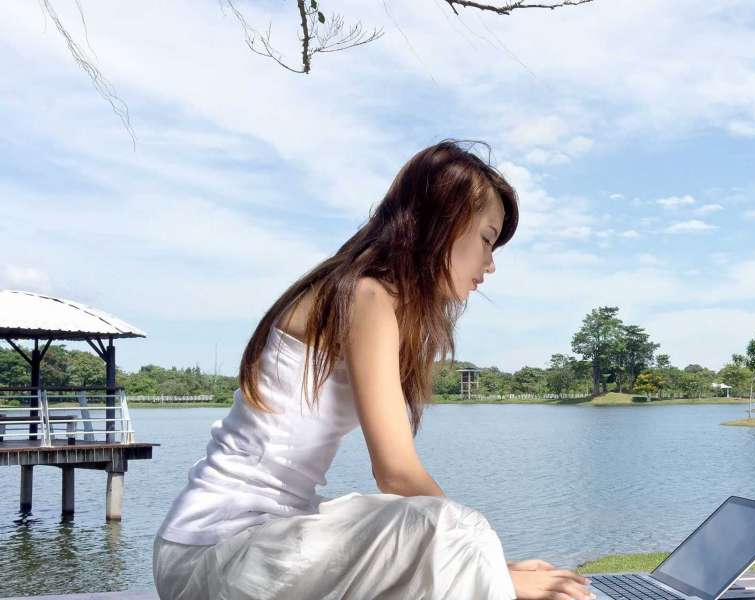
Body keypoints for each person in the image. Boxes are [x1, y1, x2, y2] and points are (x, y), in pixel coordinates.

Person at [153, 140, 596, 600]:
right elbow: (397, 474)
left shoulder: (360, 292)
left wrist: (485, 563)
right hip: (216, 555)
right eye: (487, 238)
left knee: (447, 535)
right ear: (445, 222)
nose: (490, 264)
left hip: (245, 550)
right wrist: (485, 562)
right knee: (456, 525)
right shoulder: (366, 295)